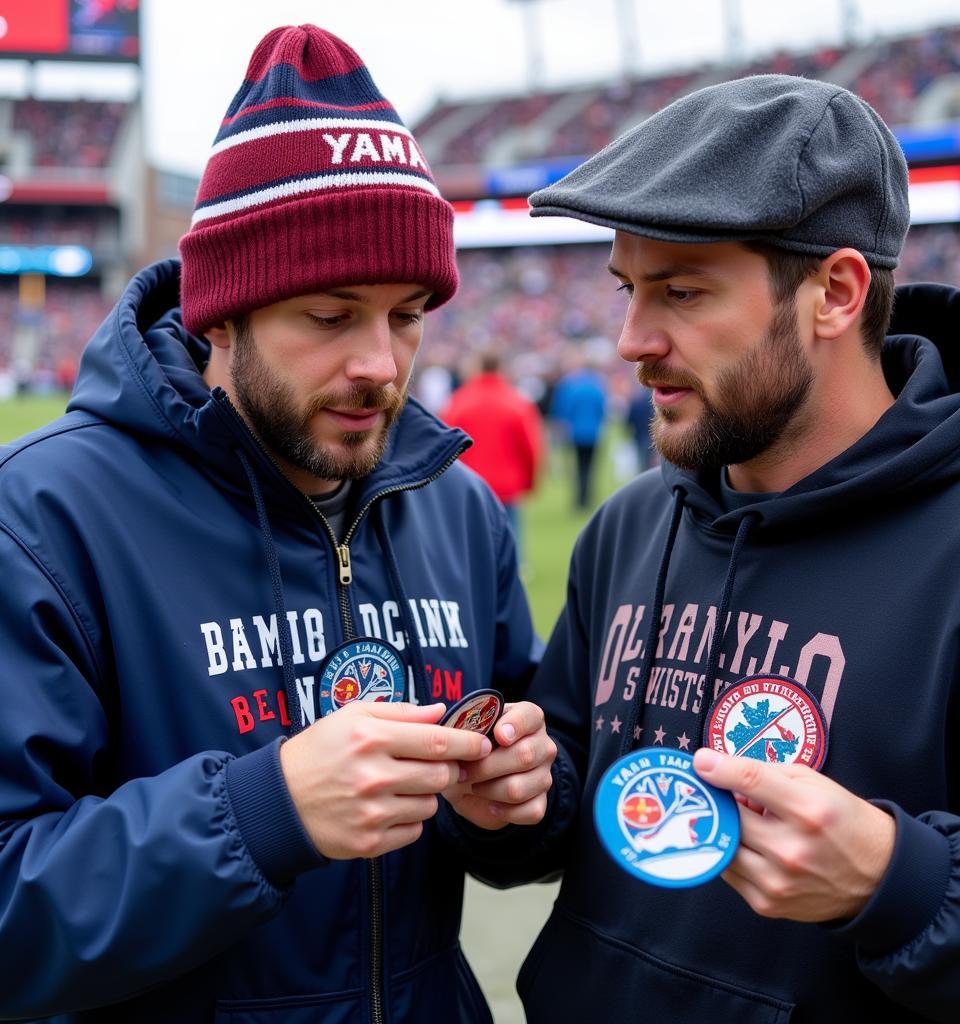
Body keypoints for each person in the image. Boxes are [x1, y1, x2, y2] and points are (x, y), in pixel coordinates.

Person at [0, 25, 556, 1022]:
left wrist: (509, 805)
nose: (381, 364)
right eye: (330, 314)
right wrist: (262, 815)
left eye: (407, 312)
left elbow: (513, 811)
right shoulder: (42, 519)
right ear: (222, 315)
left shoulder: (458, 508)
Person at [478, 75, 960, 1021]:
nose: (629, 340)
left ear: (836, 293)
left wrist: (900, 884)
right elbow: (568, 780)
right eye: (626, 290)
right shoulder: (631, 523)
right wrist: (523, 792)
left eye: (681, 292)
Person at [441, 350, 545, 561]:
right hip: (507, 484)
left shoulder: (458, 401)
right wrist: (529, 481)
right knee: (510, 542)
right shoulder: (517, 401)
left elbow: (445, 448)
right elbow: (531, 447)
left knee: (472, 544)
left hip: (469, 484)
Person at [550, 354, 607, 510]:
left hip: (576, 433)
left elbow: (564, 410)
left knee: (579, 466)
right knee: (590, 467)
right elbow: (602, 410)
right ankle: (588, 498)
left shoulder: (572, 387)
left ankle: (579, 500)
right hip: (593, 432)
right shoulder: (597, 387)